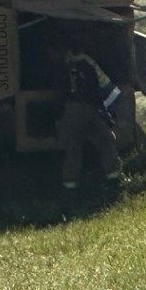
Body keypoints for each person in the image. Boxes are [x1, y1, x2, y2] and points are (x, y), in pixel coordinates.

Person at [51, 40, 123, 190]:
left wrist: (58, 117)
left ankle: (70, 185)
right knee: (105, 140)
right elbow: (105, 88)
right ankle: (114, 177)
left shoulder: (62, 68)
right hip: (91, 108)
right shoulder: (89, 64)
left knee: (73, 148)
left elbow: (59, 95)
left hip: (70, 110)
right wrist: (108, 115)